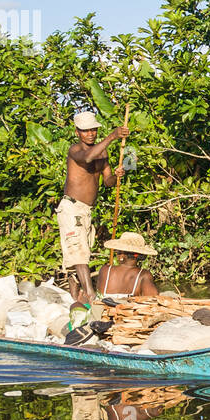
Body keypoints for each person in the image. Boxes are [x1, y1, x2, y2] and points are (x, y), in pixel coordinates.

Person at [58, 110, 129, 303]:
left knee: (82, 252)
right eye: (85, 131)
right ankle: (90, 295)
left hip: (86, 210)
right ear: (77, 132)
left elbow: (108, 181)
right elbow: (88, 157)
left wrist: (118, 174)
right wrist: (113, 136)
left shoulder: (102, 153)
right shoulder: (75, 150)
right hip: (72, 208)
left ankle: (75, 298)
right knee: (79, 253)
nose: (90, 134)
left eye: (93, 130)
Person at [96, 232, 161, 299]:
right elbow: (154, 299)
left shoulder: (105, 270)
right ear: (138, 255)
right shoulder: (143, 275)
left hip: (102, 307)